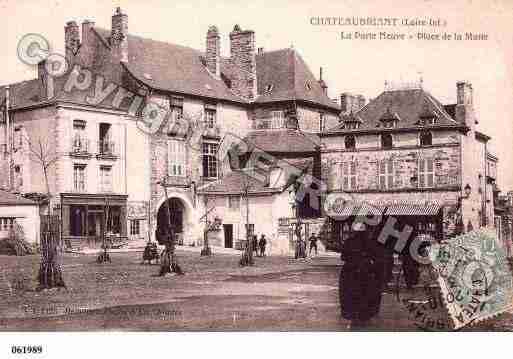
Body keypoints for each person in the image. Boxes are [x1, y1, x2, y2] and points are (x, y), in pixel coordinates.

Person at [339, 226, 387, 330]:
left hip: (350, 272)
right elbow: (378, 258)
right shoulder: (371, 242)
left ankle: (353, 316)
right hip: (367, 271)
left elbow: (343, 257)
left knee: (350, 294)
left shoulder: (349, 242)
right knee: (366, 294)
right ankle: (364, 316)